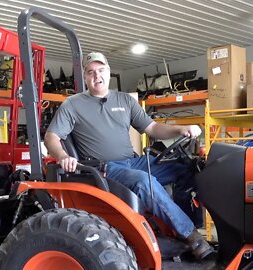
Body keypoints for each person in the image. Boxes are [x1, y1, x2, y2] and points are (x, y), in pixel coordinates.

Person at [44, 52, 213, 261]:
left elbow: (152, 128)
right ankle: (192, 237)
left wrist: (180, 129)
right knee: (144, 182)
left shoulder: (124, 100)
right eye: (91, 72)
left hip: (133, 161)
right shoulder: (73, 104)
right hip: (104, 168)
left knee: (187, 167)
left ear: (108, 71)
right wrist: (62, 156)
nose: (97, 76)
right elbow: (52, 137)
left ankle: (184, 225)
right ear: (86, 77)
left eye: (101, 70)